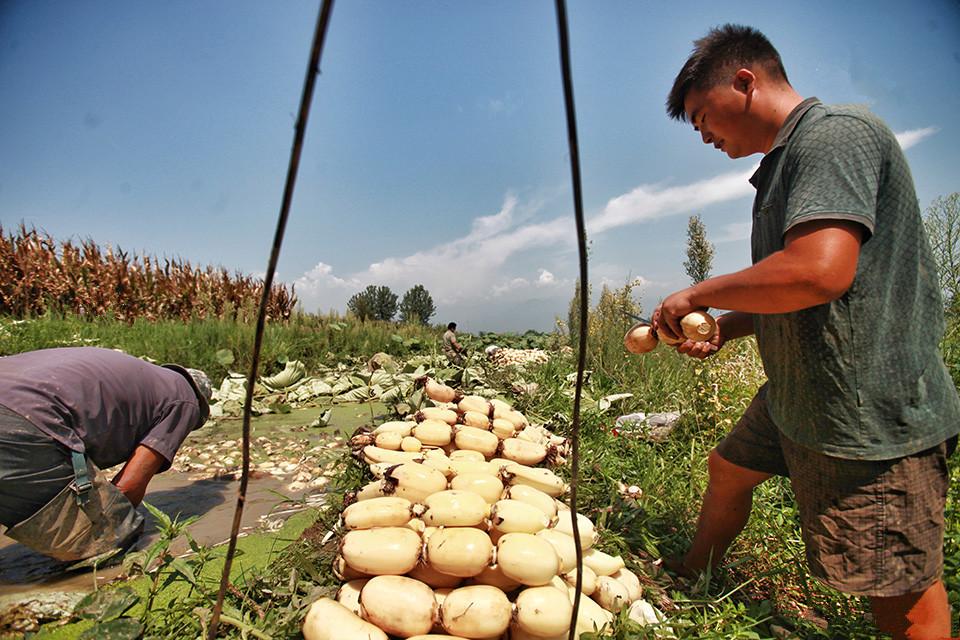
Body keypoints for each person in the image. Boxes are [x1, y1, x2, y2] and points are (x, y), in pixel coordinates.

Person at [652, 24, 959, 640]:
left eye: (704, 116)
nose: (704, 134)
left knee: (895, 583)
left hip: (865, 408)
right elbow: (793, 293)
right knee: (729, 469)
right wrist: (729, 327)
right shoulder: (781, 168)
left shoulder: (835, 136)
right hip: (801, 392)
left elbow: (819, 273)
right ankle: (692, 575)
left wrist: (699, 292)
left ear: (745, 82)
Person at [0, 346, 212, 561]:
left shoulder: (137, 374)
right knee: (112, 536)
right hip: (24, 418)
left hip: (14, 399)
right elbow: (130, 484)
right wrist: (112, 519)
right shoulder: (184, 398)